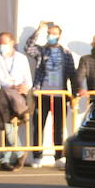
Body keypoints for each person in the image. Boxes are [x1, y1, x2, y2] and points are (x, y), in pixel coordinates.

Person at [25, 21, 78, 167]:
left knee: (59, 127)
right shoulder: (42, 50)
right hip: (42, 94)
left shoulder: (66, 53)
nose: (51, 36)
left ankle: (59, 156)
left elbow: (72, 74)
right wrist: (39, 30)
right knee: (39, 125)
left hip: (60, 95)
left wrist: (74, 95)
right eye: (49, 33)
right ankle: (37, 156)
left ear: (59, 36)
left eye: (54, 34)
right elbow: (28, 47)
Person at [0, 32, 33, 170]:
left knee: (10, 125)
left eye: (5, 43)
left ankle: (6, 158)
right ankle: (16, 153)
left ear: (12, 42)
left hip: (19, 94)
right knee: (7, 122)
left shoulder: (21, 58)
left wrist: (24, 87)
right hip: (3, 94)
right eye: (0, 43)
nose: (2, 46)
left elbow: (28, 80)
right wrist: (11, 85)